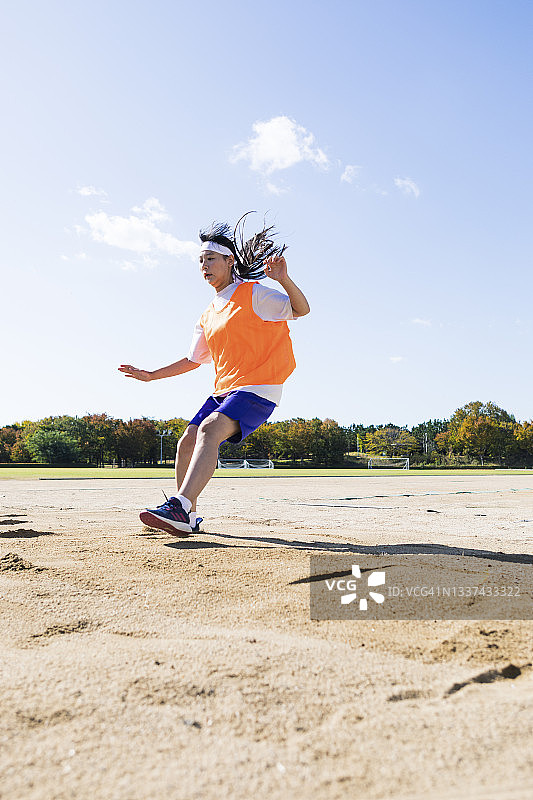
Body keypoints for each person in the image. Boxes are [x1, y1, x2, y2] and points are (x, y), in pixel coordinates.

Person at [119, 215, 310, 536]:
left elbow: (301, 309)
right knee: (187, 441)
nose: (204, 265)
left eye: (210, 259)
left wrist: (283, 279)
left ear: (229, 260)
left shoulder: (254, 294)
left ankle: (179, 505)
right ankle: (186, 513)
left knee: (209, 429)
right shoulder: (208, 313)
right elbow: (194, 360)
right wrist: (150, 376)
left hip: (260, 386)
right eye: (200, 261)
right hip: (226, 390)